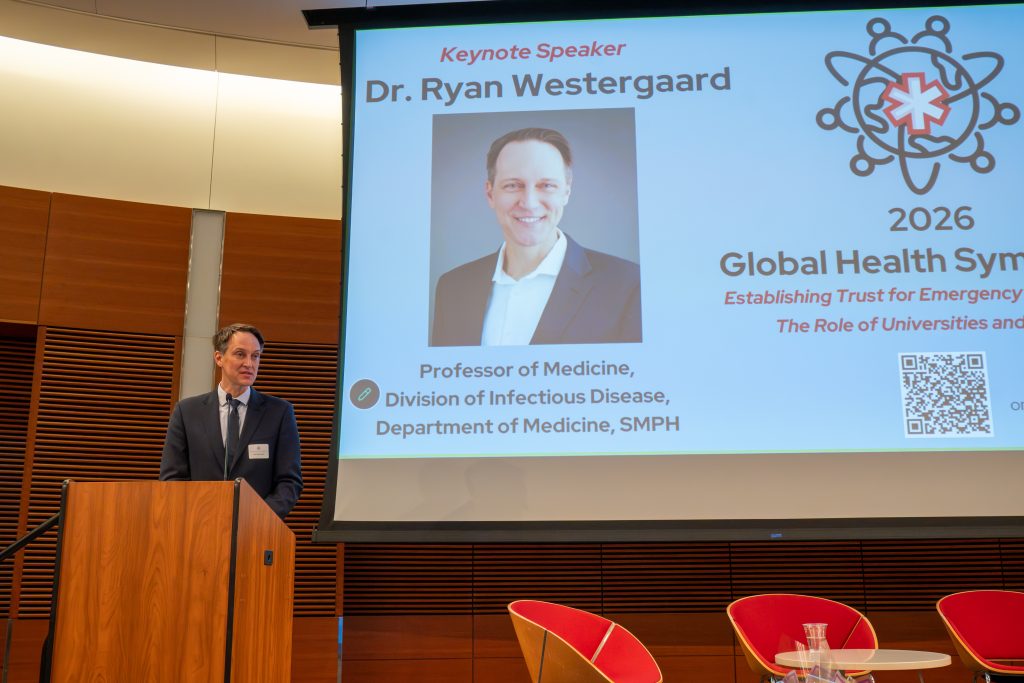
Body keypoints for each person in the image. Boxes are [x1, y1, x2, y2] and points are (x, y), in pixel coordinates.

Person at [431, 127, 642, 346]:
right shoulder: (452, 287)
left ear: (566, 193)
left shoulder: (628, 286)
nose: (529, 203)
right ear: (490, 194)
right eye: (513, 185)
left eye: (547, 185)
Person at [160, 323, 302, 519]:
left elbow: (289, 482)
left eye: (255, 356)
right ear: (219, 358)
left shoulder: (279, 413)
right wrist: (200, 516)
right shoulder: (187, 412)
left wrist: (257, 518)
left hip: (256, 530)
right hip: (199, 527)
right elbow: (173, 479)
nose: (249, 364)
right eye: (240, 354)